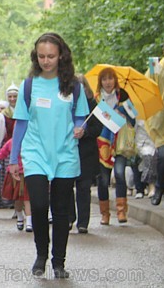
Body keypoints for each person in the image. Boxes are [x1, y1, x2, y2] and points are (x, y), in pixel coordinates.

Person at [9, 32, 88, 278]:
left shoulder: (74, 86)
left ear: (61, 55)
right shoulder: (29, 85)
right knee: (40, 205)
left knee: (61, 209)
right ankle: (41, 254)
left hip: (65, 153)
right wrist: (13, 159)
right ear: (36, 57)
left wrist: (80, 128)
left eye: (51, 56)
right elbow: (20, 123)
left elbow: (80, 118)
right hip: (35, 153)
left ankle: (58, 262)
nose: (46, 61)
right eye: (41, 56)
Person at [95, 66, 136, 224]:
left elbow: (133, 118)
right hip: (102, 143)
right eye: (104, 79)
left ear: (115, 80)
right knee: (103, 179)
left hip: (120, 143)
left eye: (110, 78)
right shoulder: (97, 99)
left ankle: (121, 211)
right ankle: (105, 213)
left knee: (119, 174)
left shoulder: (123, 96)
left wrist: (123, 113)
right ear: (100, 82)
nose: (107, 82)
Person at [67, 76, 103, 234]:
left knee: (83, 187)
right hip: (68, 151)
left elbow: (97, 129)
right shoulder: (66, 104)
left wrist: (85, 132)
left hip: (86, 153)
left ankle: (83, 222)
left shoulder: (94, 106)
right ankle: (69, 217)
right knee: (67, 186)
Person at [0, 138, 32, 232]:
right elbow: (3, 153)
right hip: (15, 174)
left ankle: (29, 222)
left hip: (29, 172)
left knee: (28, 199)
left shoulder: (32, 140)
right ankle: (20, 217)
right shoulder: (12, 142)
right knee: (18, 199)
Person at [148, 42, 164, 207]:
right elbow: (146, 87)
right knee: (163, 155)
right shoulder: (156, 66)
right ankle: (159, 185)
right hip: (161, 121)